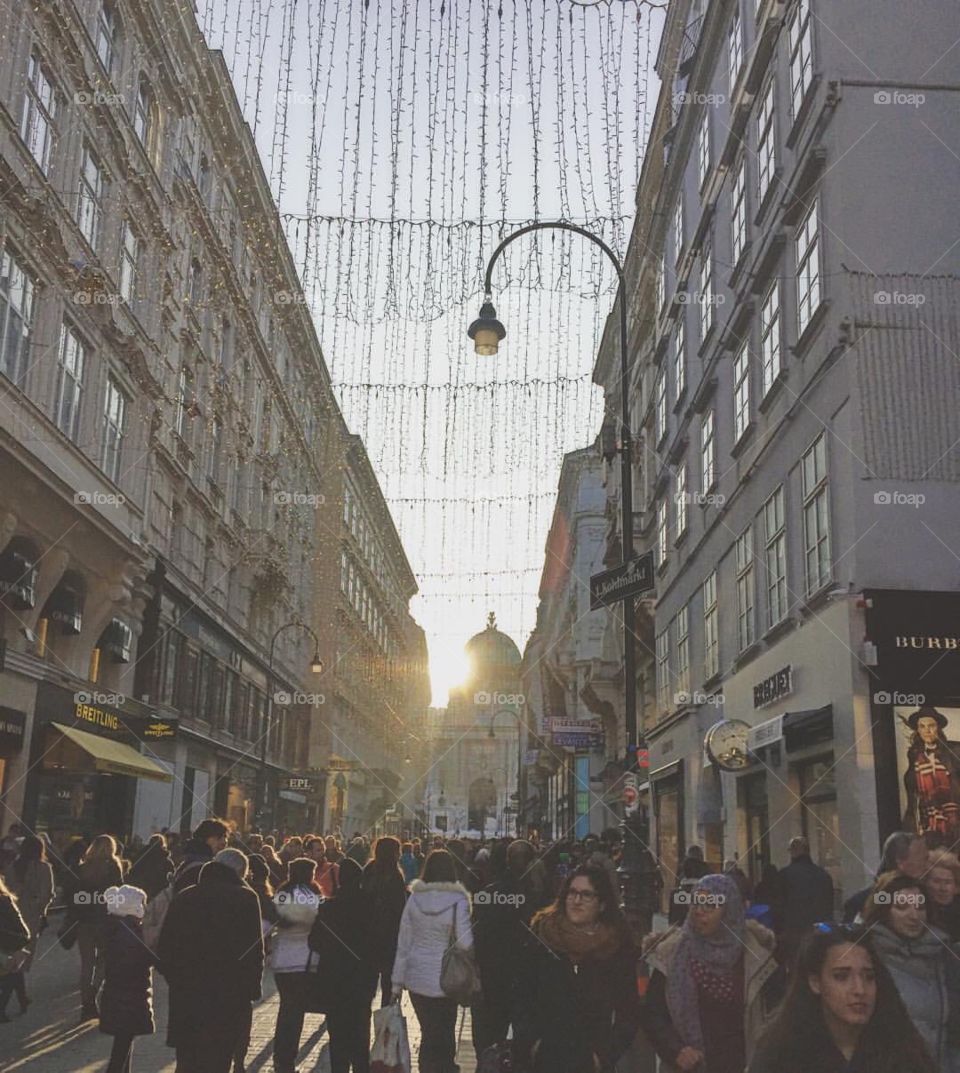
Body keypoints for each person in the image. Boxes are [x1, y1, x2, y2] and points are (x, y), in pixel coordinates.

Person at [748, 924, 938, 1073]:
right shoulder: (780, 1054)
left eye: (869, 977)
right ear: (816, 983)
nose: (859, 989)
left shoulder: (905, 1051)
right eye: (841, 976)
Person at [642, 873, 779, 1073]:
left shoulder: (757, 955)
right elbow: (653, 1013)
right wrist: (676, 1051)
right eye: (696, 904)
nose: (699, 912)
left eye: (710, 905)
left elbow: (777, 1012)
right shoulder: (672, 953)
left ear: (730, 912)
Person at [513, 863, 640, 1073]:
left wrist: (603, 1057)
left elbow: (628, 1010)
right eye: (572, 893)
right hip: (541, 1060)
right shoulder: (542, 935)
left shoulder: (615, 946)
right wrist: (530, 1045)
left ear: (602, 904)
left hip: (590, 1062)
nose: (577, 900)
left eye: (586, 895)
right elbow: (521, 996)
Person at [157, 848, 264, 1073]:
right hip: (228, 996)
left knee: (187, 1059)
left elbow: (164, 948)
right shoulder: (245, 898)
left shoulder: (185, 896)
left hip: (186, 994)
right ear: (239, 874)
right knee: (219, 1059)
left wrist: (176, 979)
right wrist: (251, 990)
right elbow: (254, 951)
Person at [861, 871, 959, 1068]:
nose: (914, 916)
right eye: (902, 907)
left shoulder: (944, 957)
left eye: (920, 907)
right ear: (884, 910)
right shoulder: (868, 958)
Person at [391, 849, 473, 1073]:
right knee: (445, 1031)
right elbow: (466, 943)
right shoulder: (458, 900)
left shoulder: (415, 898)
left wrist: (396, 983)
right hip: (447, 978)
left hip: (416, 978)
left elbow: (403, 942)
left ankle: (426, 1068)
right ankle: (445, 1068)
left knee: (428, 1030)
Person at [472, 839, 549, 1057]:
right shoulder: (539, 897)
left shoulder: (491, 892)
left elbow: (478, 931)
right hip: (526, 975)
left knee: (492, 1032)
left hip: (494, 974)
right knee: (525, 1035)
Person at [309, 858, 377, 1072]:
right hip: (363, 976)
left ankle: (339, 1067)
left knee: (337, 1031)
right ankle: (360, 1067)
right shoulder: (372, 904)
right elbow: (378, 939)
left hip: (334, 977)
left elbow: (314, 941)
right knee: (360, 1029)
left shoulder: (329, 907)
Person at [271, 858, 324, 1073]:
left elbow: (270, 923)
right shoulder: (314, 897)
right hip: (305, 962)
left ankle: (281, 1056)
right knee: (297, 1010)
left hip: (282, 961)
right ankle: (288, 1057)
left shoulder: (281, 895)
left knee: (286, 1008)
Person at [99, 885, 155, 1073]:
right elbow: (139, 958)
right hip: (129, 994)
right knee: (123, 1042)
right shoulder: (128, 933)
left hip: (120, 992)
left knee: (125, 1039)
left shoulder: (117, 927)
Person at [73, 834, 125, 1021]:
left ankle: (86, 1003)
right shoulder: (113, 867)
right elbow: (117, 894)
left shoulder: (82, 868)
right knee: (104, 960)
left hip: (84, 921)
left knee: (87, 964)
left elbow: (75, 896)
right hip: (105, 920)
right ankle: (93, 993)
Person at [2, 834, 53, 1010]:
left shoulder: (13, 865)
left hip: (9, 918)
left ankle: (22, 998)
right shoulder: (44, 868)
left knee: (14, 956)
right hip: (30, 919)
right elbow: (47, 894)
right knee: (19, 961)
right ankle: (3, 1005)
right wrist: (41, 909)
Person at [901, 705, 960, 840]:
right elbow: (913, 797)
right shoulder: (914, 756)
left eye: (931, 725)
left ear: (938, 728)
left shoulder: (954, 751)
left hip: (955, 821)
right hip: (928, 824)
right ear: (918, 730)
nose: (927, 730)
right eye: (922, 726)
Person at [842, 831, 928, 923]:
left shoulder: (928, 894)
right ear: (900, 861)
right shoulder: (860, 903)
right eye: (923, 859)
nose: (928, 865)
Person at [775, 837, 835, 964]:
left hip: (794, 934)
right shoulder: (824, 875)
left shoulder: (784, 875)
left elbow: (778, 908)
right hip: (820, 933)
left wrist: (779, 933)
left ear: (793, 852)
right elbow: (829, 906)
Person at [363, 836, 407, 1007]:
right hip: (390, 937)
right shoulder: (395, 875)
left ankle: (363, 1023)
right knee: (388, 984)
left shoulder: (368, 870)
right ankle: (386, 1025)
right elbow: (399, 908)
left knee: (368, 985)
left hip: (369, 935)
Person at [0, 876, 30, 1023]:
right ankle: (3, 1008)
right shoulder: (4, 900)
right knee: (10, 974)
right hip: (7, 943)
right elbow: (16, 919)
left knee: (14, 970)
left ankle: (23, 999)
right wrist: (25, 935)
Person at [925, 847, 960, 940]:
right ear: (926, 883)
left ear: (956, 886)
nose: (943, 888)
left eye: (948, 882)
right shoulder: (920, 913)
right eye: (936, 881)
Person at [127, 835, 174, 900]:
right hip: (158, 893)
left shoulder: (141, 856)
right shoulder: (166, 861)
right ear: (162, 844)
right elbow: (170, 878)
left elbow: (132, 872)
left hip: (140, 890)